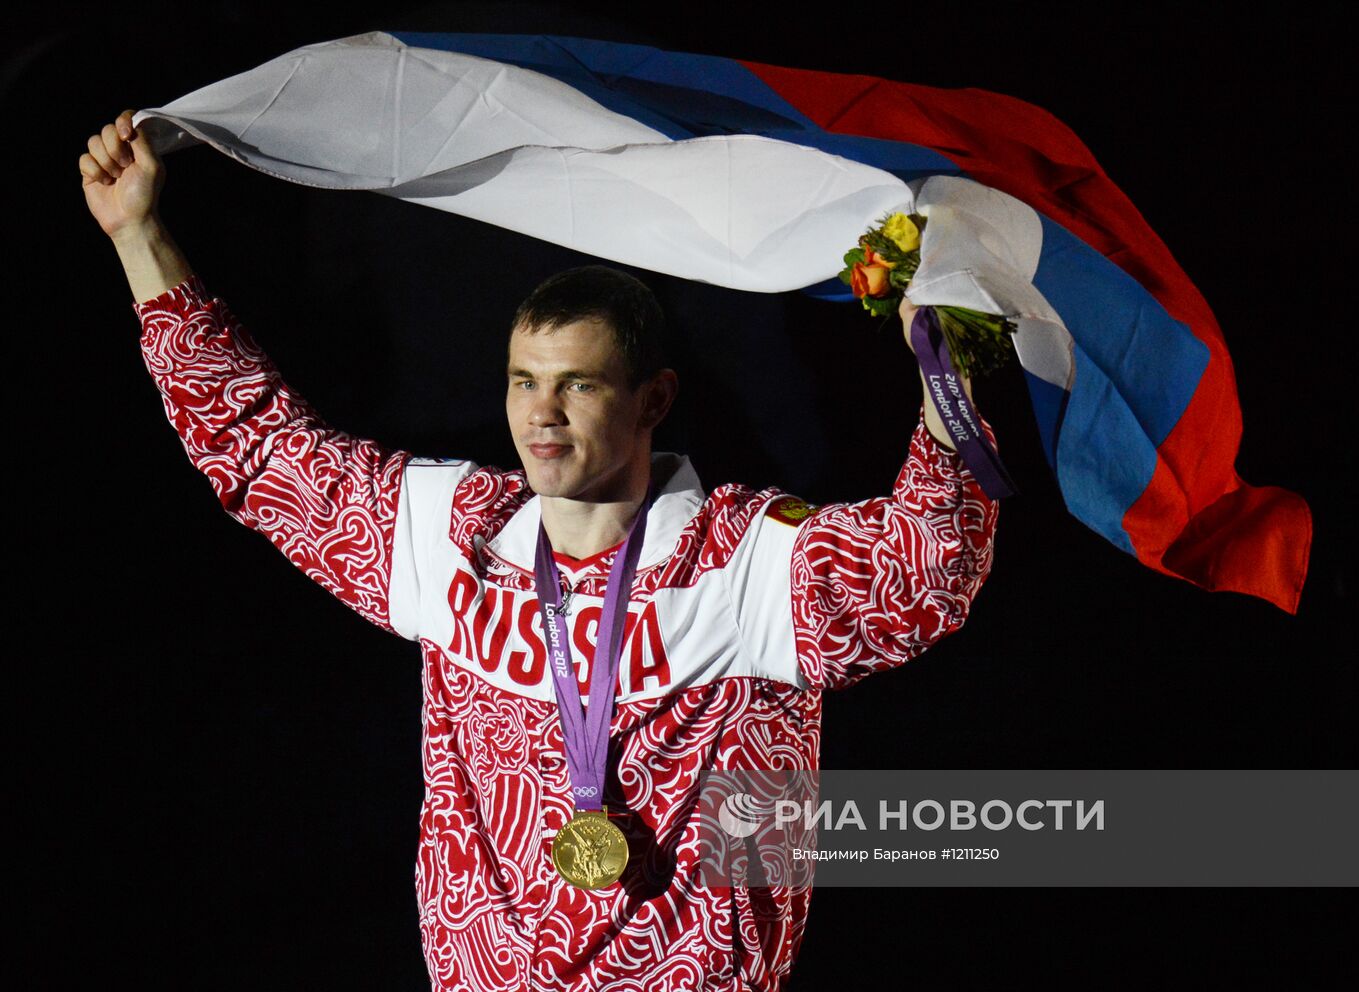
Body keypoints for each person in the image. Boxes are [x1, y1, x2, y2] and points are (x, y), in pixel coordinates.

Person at [81, 108, 999, 991]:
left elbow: (928, 566)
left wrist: (944, 362)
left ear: (653, 400)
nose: (540, 414)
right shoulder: (451, 539)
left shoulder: (747, 563)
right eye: (524, 381)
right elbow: (257, 445)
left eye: (578, 385)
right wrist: (138, 236)